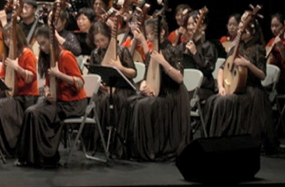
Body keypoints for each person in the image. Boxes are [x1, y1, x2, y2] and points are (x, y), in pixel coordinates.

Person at [203, 13, 278, 153]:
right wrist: (221, 86)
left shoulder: (258, 49)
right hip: (233, 87)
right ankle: (214, 140)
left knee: (225, 102)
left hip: (250, 90)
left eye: (244, 30)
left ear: (252, 32)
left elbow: (262, 75)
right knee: (212, 101)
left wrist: (247, 64)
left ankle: (228, 140)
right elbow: (222, 69)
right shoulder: (235, 48)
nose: (240, 32)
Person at [17, 25, 87, 167]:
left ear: (52, 41)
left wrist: (59, 74)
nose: (42, 47)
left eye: (44, 43)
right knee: (30, 112)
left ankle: (45, 157)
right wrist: (47, 92)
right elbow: (48, 84)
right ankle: (29, 157)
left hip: (73, 103)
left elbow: (80, 83)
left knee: (37, 114)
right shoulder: (48, 58)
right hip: (58, 101)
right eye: (40, 44)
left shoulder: (66, 56)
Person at [127, 30, 189, 161]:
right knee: (131, 102)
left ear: (161, 32)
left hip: (172, 94)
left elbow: (179, 78)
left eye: (151, 34)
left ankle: (151, 149)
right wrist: (144, 85)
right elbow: (146, 77)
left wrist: (163, 61)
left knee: (144, 105)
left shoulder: (173, 50)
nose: (148, 37)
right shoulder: (152, 52)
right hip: (157, 92)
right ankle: (135, 150)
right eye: (148, 34)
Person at [85, 19, 136, 158]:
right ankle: (98, 142)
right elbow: (93, 74)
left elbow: (133, 73)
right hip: (104, 89)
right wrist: (99, 85)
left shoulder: (122, 50)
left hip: (123, 89)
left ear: (109, 36)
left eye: (103, 40)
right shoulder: (95, 53)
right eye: (97, 41)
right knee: (95, 100)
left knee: (109, 100)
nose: (100, 43)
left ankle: (115, 143)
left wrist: (120, 68)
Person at [0, 23, 37, 157]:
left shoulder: (27, 53)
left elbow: (30, 78)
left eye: (10, 38)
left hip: (25, 98)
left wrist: (17, 67)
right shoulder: (7, 54)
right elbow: (3, 76)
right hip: (11, 94)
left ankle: (6, 147)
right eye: (6, 39)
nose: (8, 41)